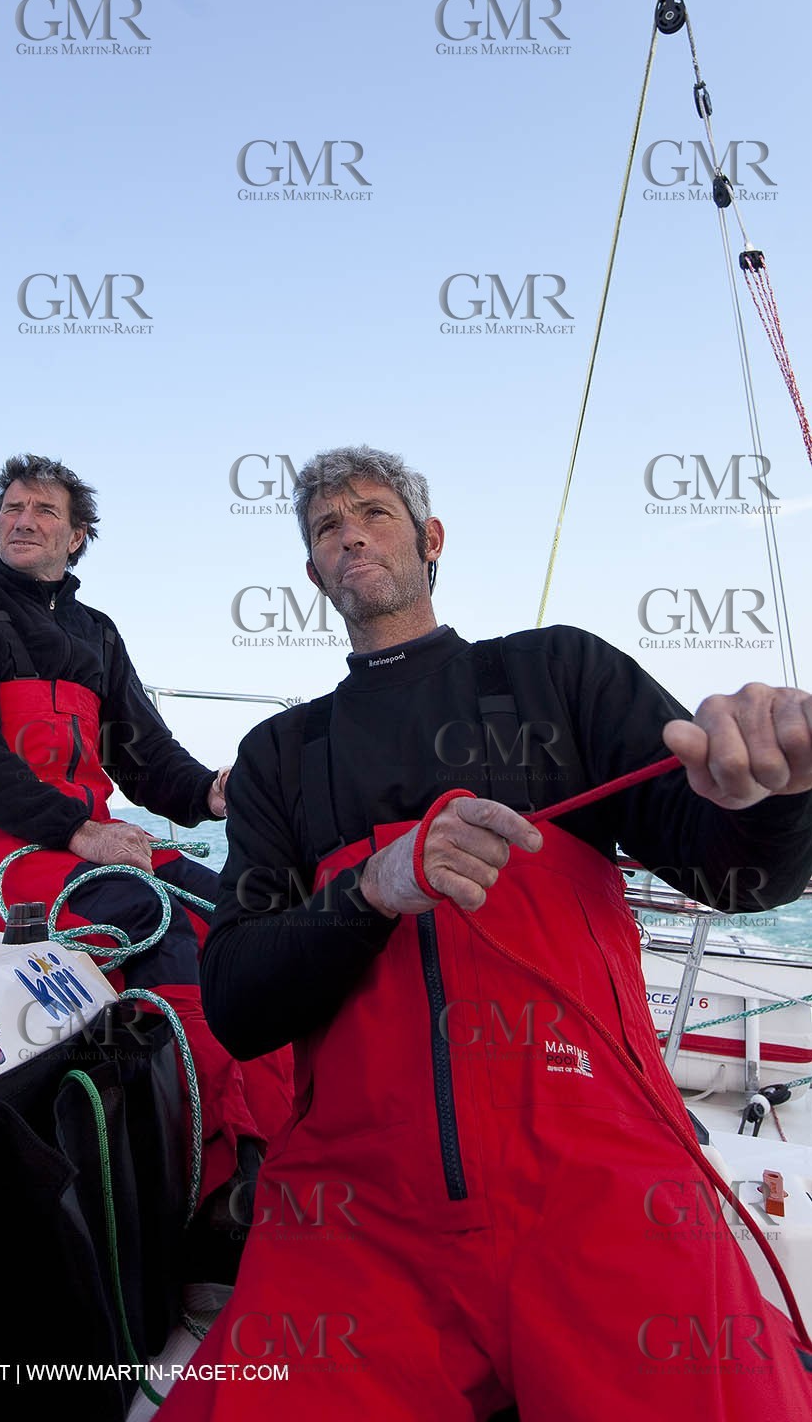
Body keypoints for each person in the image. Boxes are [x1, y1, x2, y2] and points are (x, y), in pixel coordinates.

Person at [161, 444, 812, 1422]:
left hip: (604, 1176)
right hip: (355, 1207)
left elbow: (739, 873)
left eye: (373, 514)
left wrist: (770, 794)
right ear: (312, 574)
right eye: (326, 528)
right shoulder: (278, 759)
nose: (350, 536)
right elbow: (237, 1001)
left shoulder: (560, 673)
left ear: (428, 540)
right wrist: (368, 891)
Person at [0, 453, 291, 1209]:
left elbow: (145, 756)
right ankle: (210, 1183)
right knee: (149, 917)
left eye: (44, 511)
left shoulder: (96, 633)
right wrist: (79, 832)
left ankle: (276, 1134)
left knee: (236, 912)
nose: (23, 519)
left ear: (77, 537)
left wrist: (218, 792)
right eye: (11, 508)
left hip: (81, 836)